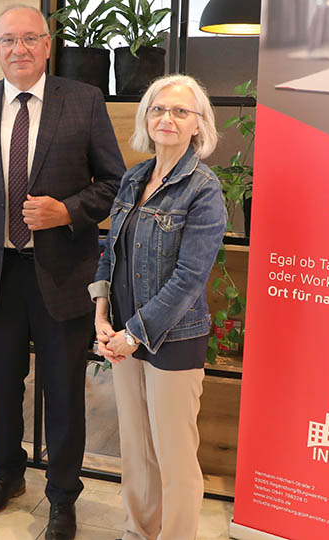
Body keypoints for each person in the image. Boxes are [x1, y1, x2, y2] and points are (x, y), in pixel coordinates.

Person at [0, 5, 125, 539]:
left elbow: (114, 183)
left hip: (63, 274)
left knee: (64, 393)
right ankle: (6, 475)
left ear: (48, 45)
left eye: (29, 39)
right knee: (1, 386)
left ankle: (63, 497)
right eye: (8, 40)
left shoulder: (84, 100)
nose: (18, 49)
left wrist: (66, 210)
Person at [89, 74, 227, 540]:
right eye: (159, 109)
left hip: (174, 338)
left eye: (181, 111)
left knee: (173, 454)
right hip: (123, 332)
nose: (168, 118)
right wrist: (102, 312)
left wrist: (133, 334)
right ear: (146, 118)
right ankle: (138, 531)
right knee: (136, 448)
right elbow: (110, 251)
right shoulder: (134, 177)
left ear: (198, 124)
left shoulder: (203, 188)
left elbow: (190, 278)